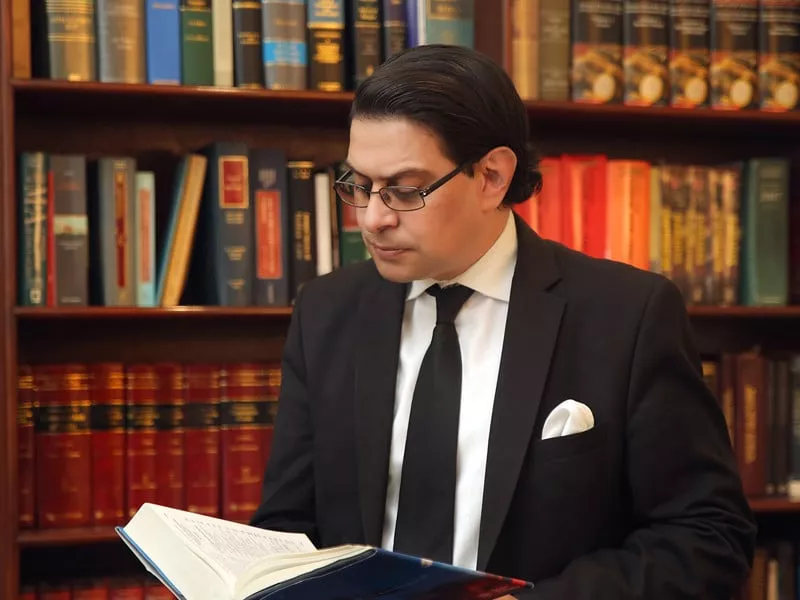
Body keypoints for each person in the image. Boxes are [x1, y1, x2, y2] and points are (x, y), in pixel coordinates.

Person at [250, 44, 757, 599]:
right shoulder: (326, 311)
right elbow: (287, 527)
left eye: (404, 190)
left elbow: (707, 536)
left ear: (491, 176)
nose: (373, 218)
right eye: (358, 184)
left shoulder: (628, 314)